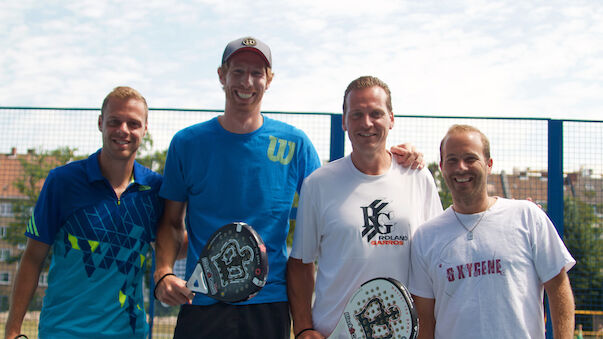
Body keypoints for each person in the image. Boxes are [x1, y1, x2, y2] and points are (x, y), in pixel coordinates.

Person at [152, 39, 422, 339]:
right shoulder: (187, 144)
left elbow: (343, 192)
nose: (247, 82)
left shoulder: (296, 144)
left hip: (269, 305)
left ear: (269, 80)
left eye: (257, 73)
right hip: (202, 302)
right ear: (221, 75)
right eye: (238, 71)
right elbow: (171, 223)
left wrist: (395, 159)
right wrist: (163, 270)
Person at [286, 76, 443, 338]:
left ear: (391, 119)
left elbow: (437, 258)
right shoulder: (318, 185)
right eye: (357, 114)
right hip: (334, 331)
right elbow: (301, 263)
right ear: (345, 121)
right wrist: (303, 328)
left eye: (376, 113)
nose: (366, 123)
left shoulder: (418, 177)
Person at [5, 87, 164, 339]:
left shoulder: (155, 189)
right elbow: (32, 258)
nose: (123, 130)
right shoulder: (62, 181)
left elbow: (170, 242)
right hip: (63, 332)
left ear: (145, 129)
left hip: (129, 334)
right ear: (101, 123)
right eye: (115, 121)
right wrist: (13, 331)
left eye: (133, 123)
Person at [410, 124, 576, 339]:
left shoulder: (527, 216)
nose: (461, 167)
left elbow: (558, 287)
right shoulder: (425, 237)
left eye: (470, 158)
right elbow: (425, 318)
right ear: (442, 167)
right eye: (452, 160)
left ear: (489, 164)